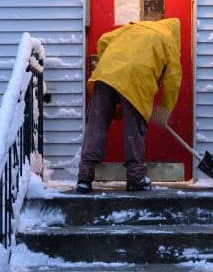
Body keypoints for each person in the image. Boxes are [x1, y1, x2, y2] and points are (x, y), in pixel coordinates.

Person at [76, 18, 182, 193]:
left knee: (96, 126)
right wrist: (164, 109)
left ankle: (84, 178)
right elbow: (173, 81)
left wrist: (111, 63)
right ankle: (135, 178)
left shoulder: (132, 28)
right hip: (137, 81)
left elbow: (103, 40)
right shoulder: (169, 41)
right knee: (133, 130)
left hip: (106, 75)